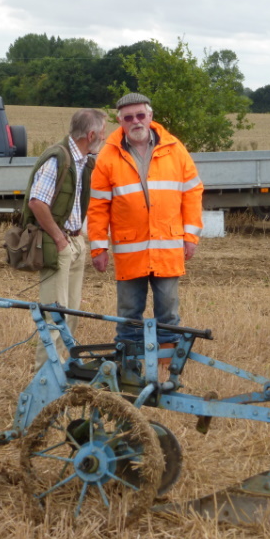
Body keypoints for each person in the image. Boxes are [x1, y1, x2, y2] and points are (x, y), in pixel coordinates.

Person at [87, 92, 203, 360]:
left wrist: (191, 236)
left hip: (167, 247)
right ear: (120, 121)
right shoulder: (107, 156)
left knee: (168, 313)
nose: (136, 121)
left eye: (141, 115)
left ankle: (167, 367)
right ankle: (129, 366)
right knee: (129, 314)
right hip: (130, 250)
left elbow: (192, 193)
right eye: (129, 118)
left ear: (150, 116)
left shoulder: (175, 149)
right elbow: (98, 206)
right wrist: (98, 248)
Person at [23, 108, 107, 370]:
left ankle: (59, 366)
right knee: (55, 314)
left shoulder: (82, 161)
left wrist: (77, 240)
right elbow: (37, 202)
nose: (104, 138)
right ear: (91, 135)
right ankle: (45, 373)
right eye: (102, 133)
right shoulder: (58, 159)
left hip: (75, 241)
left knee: (71, 314)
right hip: (59, 244)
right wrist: (60, 240)